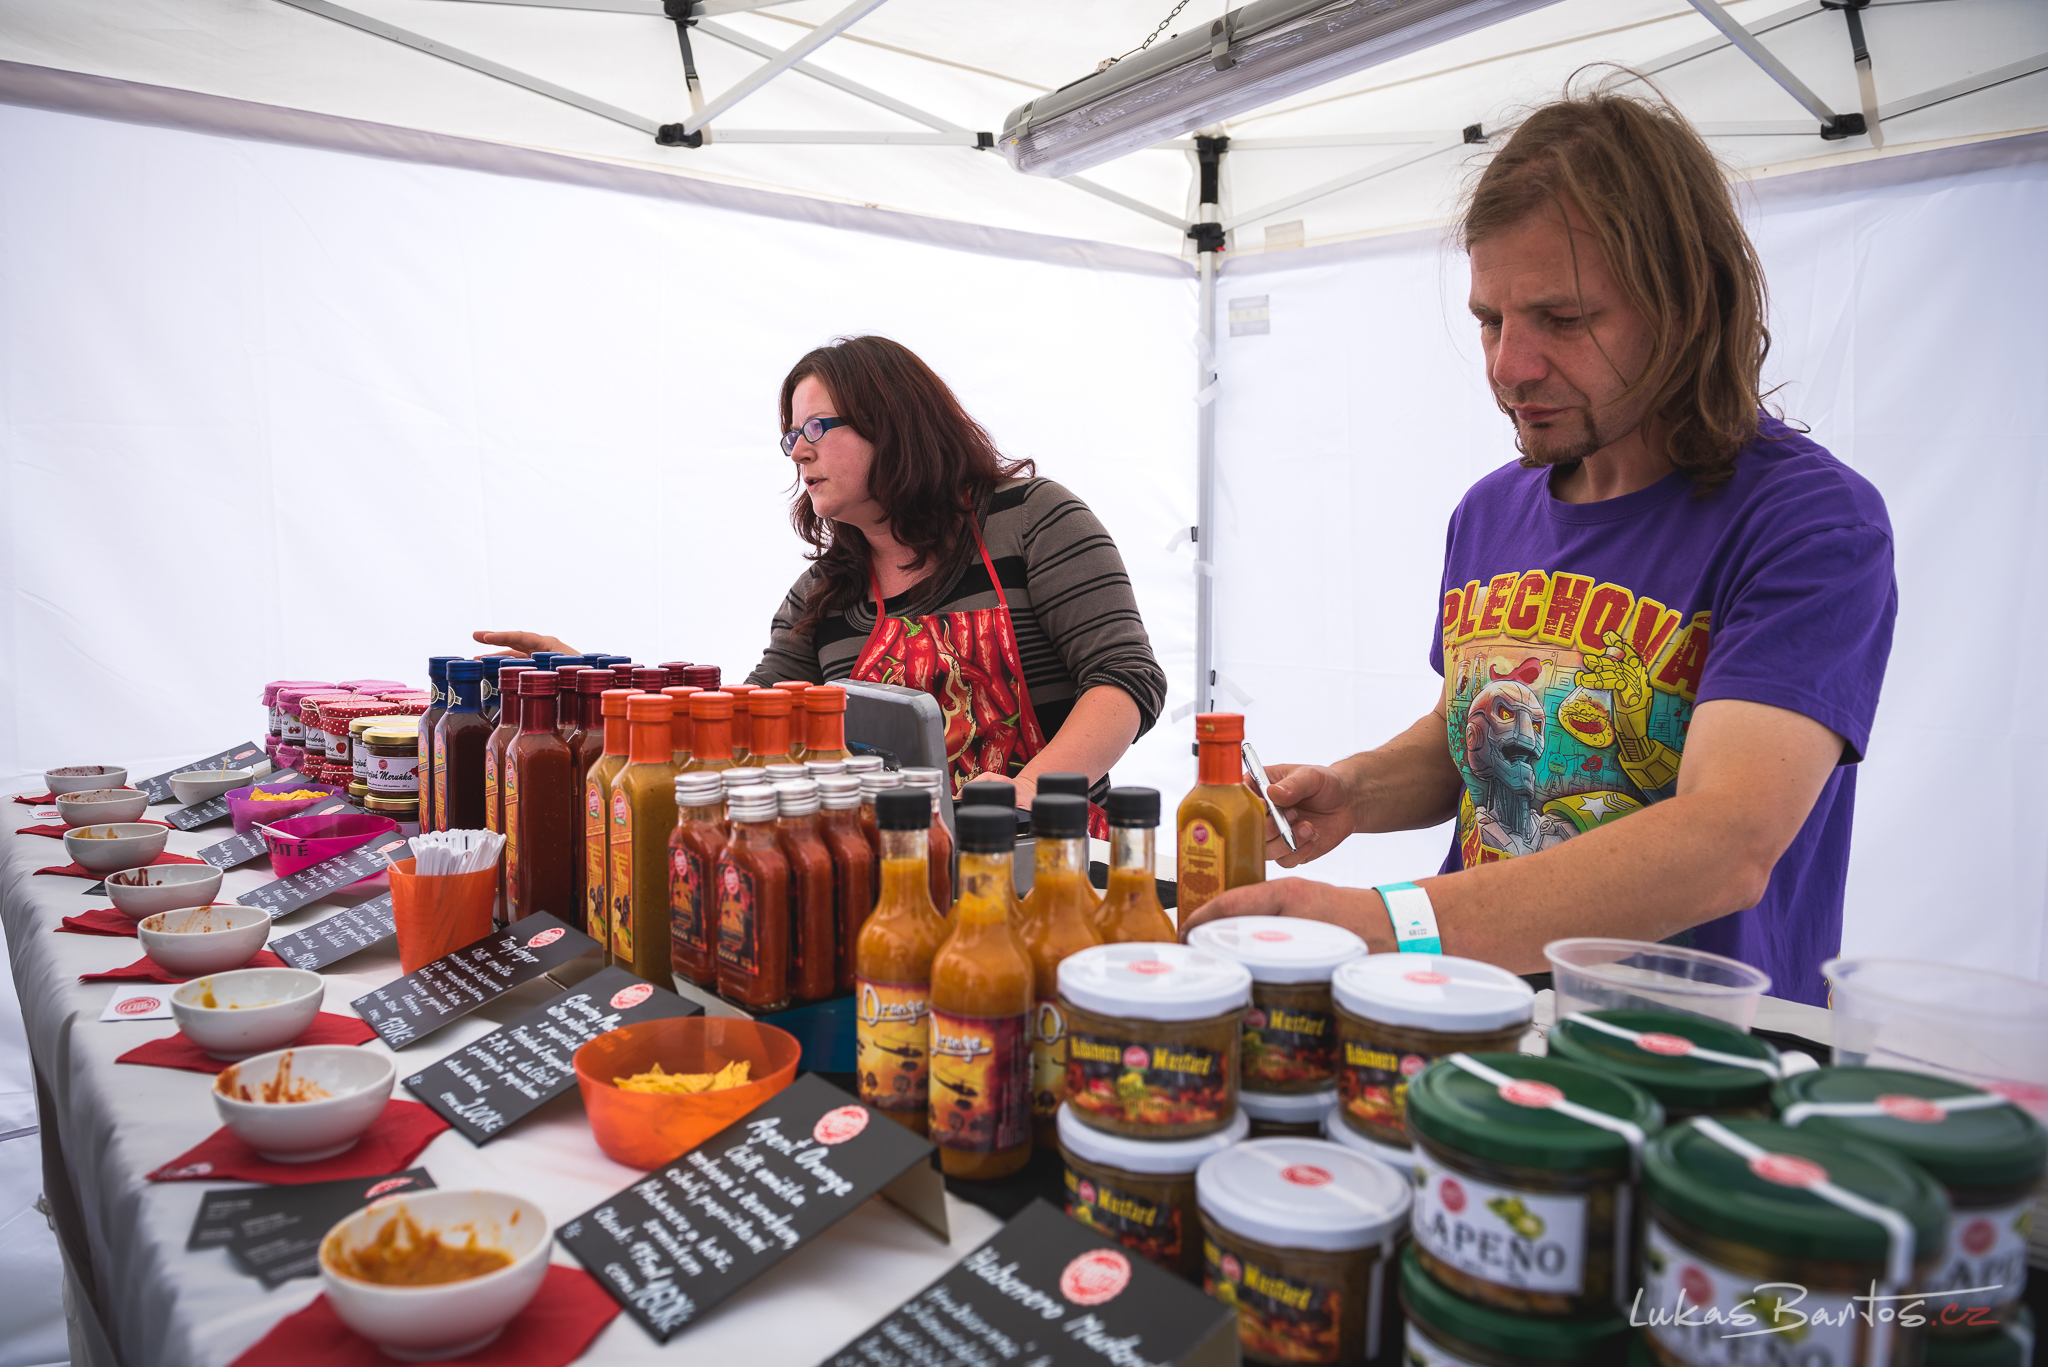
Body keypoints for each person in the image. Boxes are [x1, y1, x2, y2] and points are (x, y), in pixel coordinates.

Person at [1179, 85, 1896, 1007]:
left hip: (1690, 1056)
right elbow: (1476, 734)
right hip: (1480, 1021)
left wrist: (1381, 922)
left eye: (1564, 319)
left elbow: (1725, 844)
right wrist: (1356, 790)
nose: (1510, 366)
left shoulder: (1809, 522)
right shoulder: (1490, 511)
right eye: (1490, 319)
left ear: (1686, 306)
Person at [478, 335, 1166, 813]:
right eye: (790, 436)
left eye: (816, 428)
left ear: (892, 423)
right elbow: (744, 725)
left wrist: (1028, 794)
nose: (797, 453)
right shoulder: (824, 593)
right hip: (893, 872)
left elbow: (1124, 679)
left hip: (1048, 860)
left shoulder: (1033, 519)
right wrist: (595, 683)